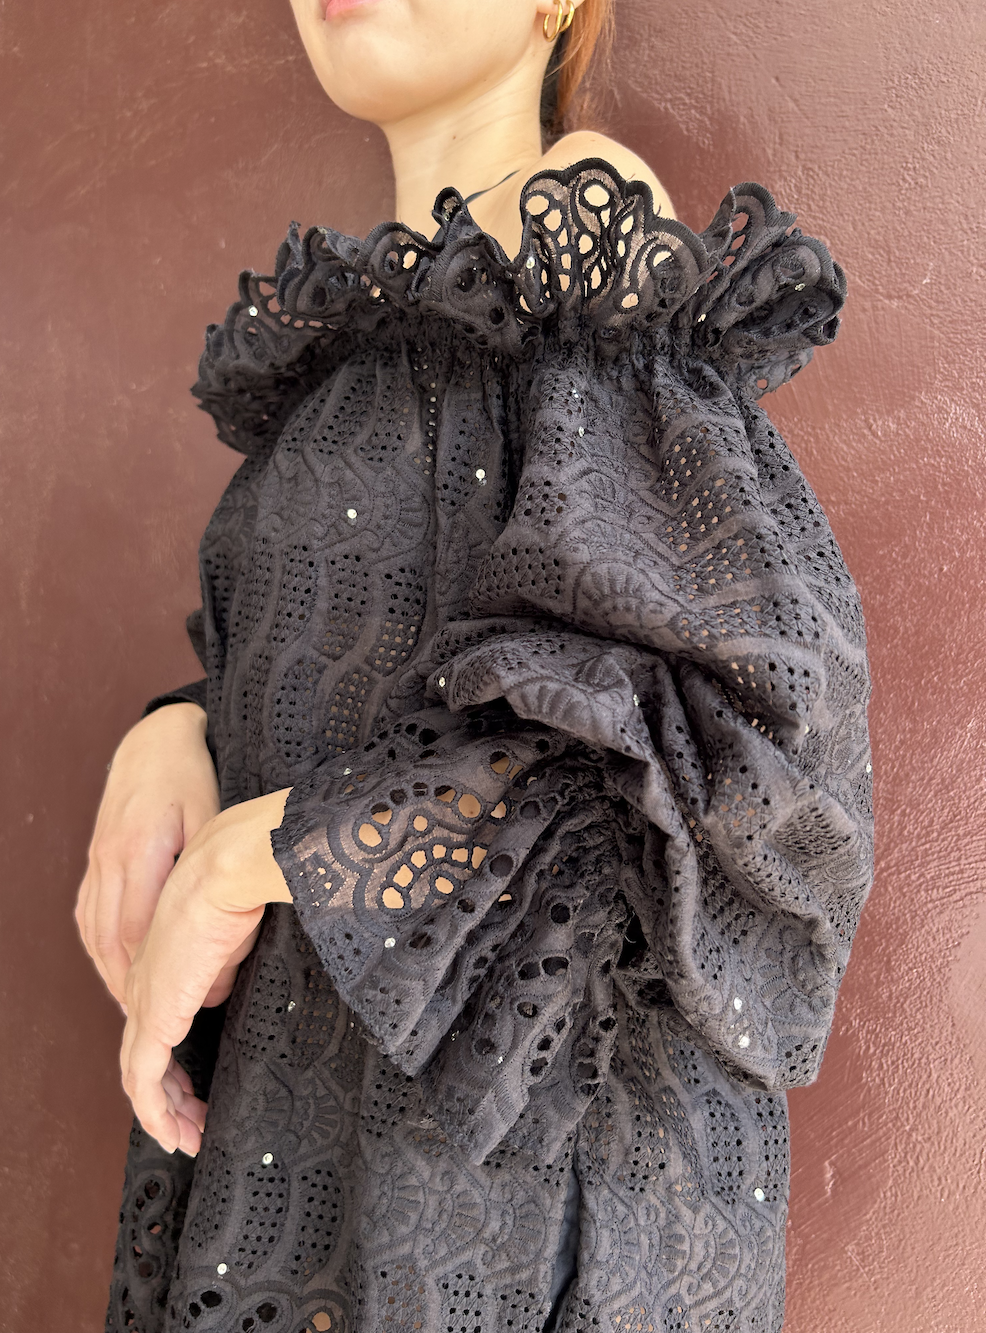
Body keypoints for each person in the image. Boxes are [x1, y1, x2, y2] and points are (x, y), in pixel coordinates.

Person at [77, 1, 875, 1330]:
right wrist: (176, 731)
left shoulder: (584, 244)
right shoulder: (346, 349)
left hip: (513, 1194)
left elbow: (703, 758)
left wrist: (253, 857)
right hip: (304, 1139)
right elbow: (355, 677)